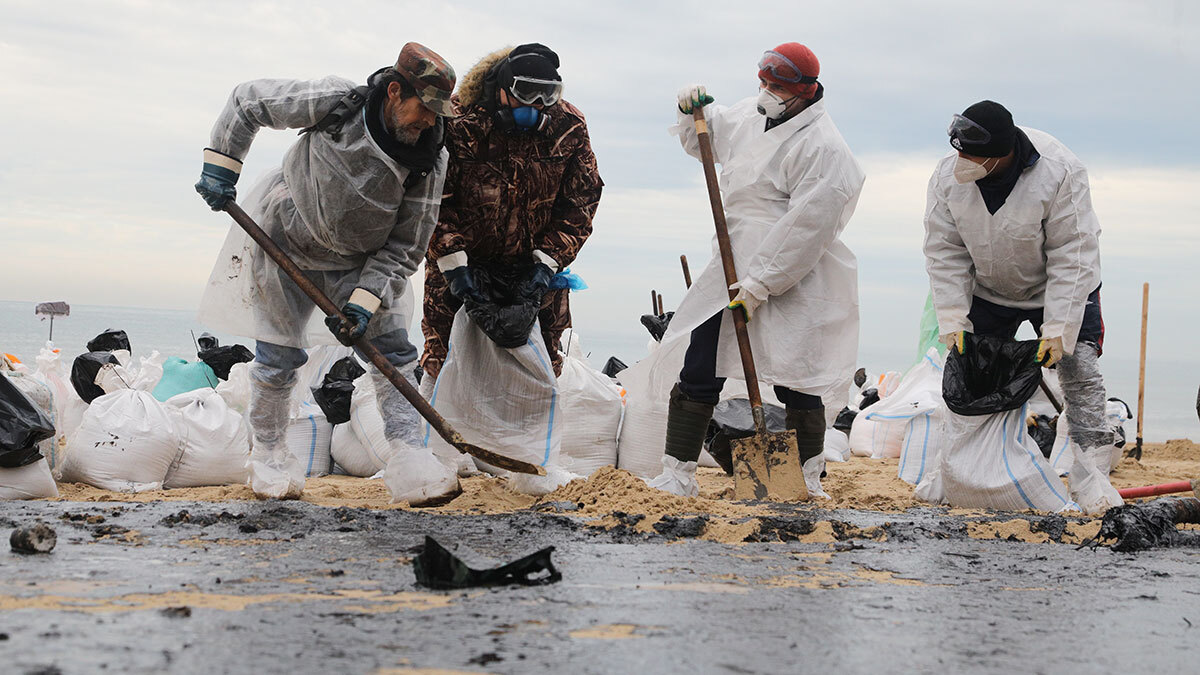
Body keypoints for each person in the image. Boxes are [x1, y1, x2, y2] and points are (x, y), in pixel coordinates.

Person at [195, 43, 462, 505]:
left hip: (361, 263)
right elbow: (249, 101)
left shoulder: (430, 160)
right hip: (285, 242)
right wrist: (223, 164)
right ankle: (271, 455)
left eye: (439, 115)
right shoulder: (338, 104)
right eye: (425, 109)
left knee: (393, 357)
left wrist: (362, 302)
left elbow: (405, 247)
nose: (430, 122)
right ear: (395, 91)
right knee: (278, 358)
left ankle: (406, 454)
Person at [646, 42, 865, 497]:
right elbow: (705, 139)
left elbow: (806, 229)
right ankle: (678, 472)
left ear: (805, 91)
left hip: (794, 274)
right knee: (701, 364)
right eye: (762, 82)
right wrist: (692, 112)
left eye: (777, 86)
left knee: (796, 375)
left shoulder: (825, 149)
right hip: (728, 261)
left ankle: (805, 478)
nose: (766, 91)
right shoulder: (750, 114)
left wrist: (761, 283)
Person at [924, 100, 1117, 513]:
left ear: (1002, 155)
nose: (962, 162)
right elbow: (945, 250)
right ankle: (961, 471)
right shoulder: (947, 177)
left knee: (1079, 371)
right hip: (990, 287)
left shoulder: (1059, 171)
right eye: (958, 151)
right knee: (971, 374)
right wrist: (953, 318)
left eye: (972, 156)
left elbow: (1073, 252)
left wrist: (1059, 329)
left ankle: (1091, 474)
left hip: (1057, 286)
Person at [420, 43, 602, 388]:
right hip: (460, 269)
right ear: (501, 89)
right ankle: (438, 442)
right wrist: (457, 271)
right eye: (525, 94)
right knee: (446, 369)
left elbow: (581, 199)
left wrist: (544, 266)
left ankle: (524, 443)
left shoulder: (568, 126)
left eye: (547, 97)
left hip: (533, 272)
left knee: (534, 376)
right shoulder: (458, 121)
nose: (536, 106)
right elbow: (430, 200)